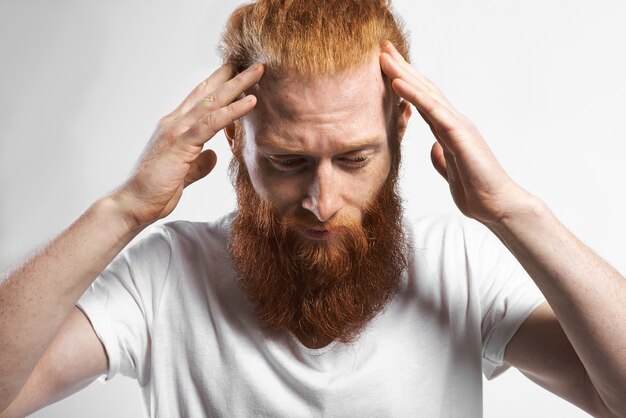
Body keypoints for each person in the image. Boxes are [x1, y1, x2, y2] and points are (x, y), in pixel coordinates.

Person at [0, 0, 624, 417]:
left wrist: (511, 211)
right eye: (287, 162)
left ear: (401, 128)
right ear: (235, 139)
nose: (322, 202)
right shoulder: (164, 275)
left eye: (353, 159)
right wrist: (126, 208)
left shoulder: (460, 266)